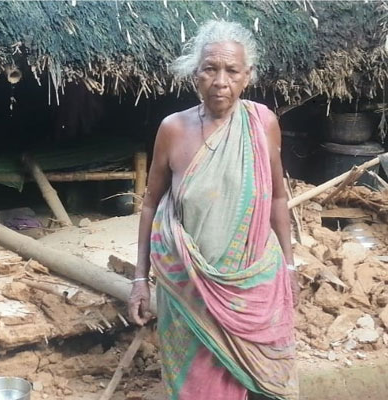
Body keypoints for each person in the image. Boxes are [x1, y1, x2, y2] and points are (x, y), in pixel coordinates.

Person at [128, 20, 299, 400]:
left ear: (247, 76)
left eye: (232, 71)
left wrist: (289, 267)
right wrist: (139, 279)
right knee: (197, 387)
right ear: (195, 74)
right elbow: (151, 204)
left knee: (265, 382)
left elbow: (277, 198)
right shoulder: (173, 129)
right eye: (210, 69)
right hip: (188, 288)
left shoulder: (263, 124)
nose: (221, 81)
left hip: (254, 285)